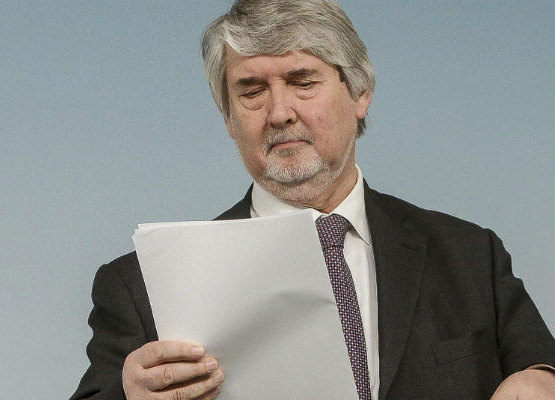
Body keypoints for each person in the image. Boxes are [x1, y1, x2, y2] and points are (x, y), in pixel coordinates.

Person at [71, 0, 555, 399]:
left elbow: (542, 368)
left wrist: (541, 380)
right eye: (252, 91)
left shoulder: (471, 255)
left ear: (360, 93)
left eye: (302, 82)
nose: (280, 112)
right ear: (228, 119)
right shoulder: (144, 286)